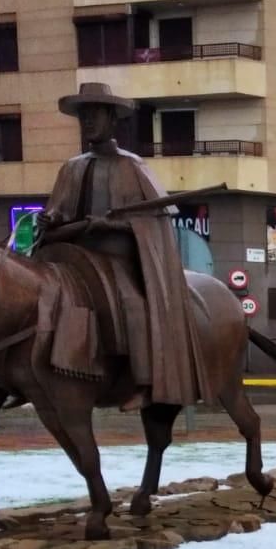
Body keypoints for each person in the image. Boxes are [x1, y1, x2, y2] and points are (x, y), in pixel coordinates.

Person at [35, 81, 211, 409]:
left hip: (118, 257)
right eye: (83, 115)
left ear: (112, 119)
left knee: (131, 302)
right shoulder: (71, 167)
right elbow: (58, 207)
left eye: (95, 115)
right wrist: (52, 219)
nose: (88, 121)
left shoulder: (132, 166)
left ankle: (146, 382)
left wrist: (109, 224)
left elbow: (155, 218)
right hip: (75, 256)